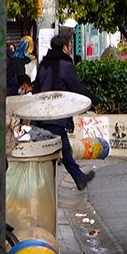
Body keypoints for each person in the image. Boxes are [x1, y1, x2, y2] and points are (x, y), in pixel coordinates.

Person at [34, 30, 98, 191]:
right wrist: (94, 100)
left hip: (41, 114)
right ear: (64, 47)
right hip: (56, 115)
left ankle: (78, 178)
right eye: (69, 45)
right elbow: (77, 88)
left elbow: (37, 89)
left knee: (57, 150)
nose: (70, 48)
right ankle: (77, 179)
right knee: (62, 149)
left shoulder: (44, 65)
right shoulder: (65, 66)